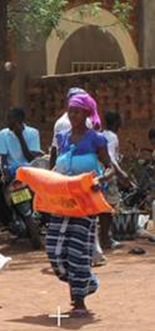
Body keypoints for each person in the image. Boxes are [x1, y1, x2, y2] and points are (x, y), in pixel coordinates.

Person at [46, 92, 117, 317]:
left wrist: (100, 180)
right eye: (70, 111)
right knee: (54, 249)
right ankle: (88, 282)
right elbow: (55, 166)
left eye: (77, 111)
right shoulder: (63, 138)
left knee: (77, 251)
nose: (73, 115)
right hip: (62, 202)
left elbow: (111, 167)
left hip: (85, 203)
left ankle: (79, 301)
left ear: (86, 113)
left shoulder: (96, 139)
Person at [101, 111, 132, 250]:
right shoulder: (112, 137)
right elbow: (111, 158)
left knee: (102, 207)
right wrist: (121, 174)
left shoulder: (101, 134)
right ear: (116, 122)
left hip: (100, 173)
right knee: (109, 207)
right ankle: (106, 238)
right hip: (109, 174)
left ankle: (104, 237)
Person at [0, 107, 42, 181]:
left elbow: (31, 159)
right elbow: (3, 159)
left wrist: (20, 137)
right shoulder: (3, 134)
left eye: (11, 120)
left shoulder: (33, 133)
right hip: (11, 170)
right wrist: (5, 173)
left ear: (20, 121)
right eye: (8, 119)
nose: (8, 122)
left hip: (28, 170)